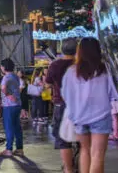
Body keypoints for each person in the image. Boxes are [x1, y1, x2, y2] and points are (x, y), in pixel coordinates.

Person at [61, 38, 116, 173]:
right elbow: (113, 94)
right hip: (101, 116)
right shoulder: (105, 70)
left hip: (79, 117)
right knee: (97, 155)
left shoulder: (72, 71)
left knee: (85, 151)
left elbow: (66, 95)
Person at [46, 39, 77, 173]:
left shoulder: (55, 65)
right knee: (82, 137)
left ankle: (68, 169)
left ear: (61, 49)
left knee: (63, 139)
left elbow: (47, 85)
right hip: (81, 105)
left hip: (61, 104)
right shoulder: (80, 64)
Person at [0, 58, 23, 157]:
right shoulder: (15, 76)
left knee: (9, 128)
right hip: (17, 105)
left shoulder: (6, 77)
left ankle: (8, 149)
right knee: (17, 127)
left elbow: (4, 88)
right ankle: (19, 149)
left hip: (9, 106)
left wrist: (8, 95)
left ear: (4, 67)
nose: (0, 68)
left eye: (1, 66)